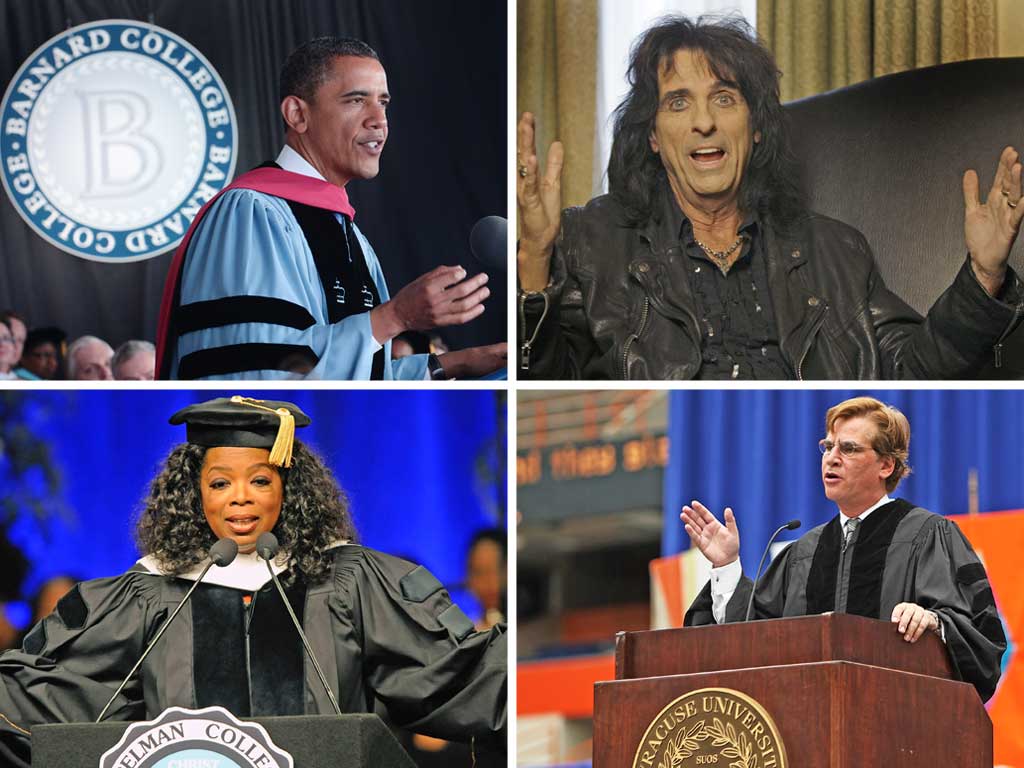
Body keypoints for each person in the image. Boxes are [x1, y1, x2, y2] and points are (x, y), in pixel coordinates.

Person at [0, 396, 507, 767]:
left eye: (260, 480)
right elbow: (47, 695)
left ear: (289, 490)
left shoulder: (348, 582)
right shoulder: (151, 595)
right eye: (220, 483)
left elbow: (452, 673)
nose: (239, 498)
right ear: (194, 495)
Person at [517, 16, 1023, 379]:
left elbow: (908, 373)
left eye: (724, 98)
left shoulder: (836, 252)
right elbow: (543, 376)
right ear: (653, 135)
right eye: (678, 103)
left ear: (755, 126)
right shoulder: (594, 241)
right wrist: (537, 261)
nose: (703, 122)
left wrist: (983, 275)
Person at [155, 37, 506, 380]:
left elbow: (349, 374)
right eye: (356, 100)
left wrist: (454, 364)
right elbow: (256, 374)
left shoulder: (346, 231)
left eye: (383, 102)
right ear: (297, 114)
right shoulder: (250, 213)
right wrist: (396, 316)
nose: (378, 120)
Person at [679, 396, 1006, 701]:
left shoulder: (928, 535)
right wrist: (726, 565)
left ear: (886, 466)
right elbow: (753, 643)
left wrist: (934, 621)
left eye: (848, 449)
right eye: (827, 446)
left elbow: (981, 639)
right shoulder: (805, 552)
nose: (831, 458)